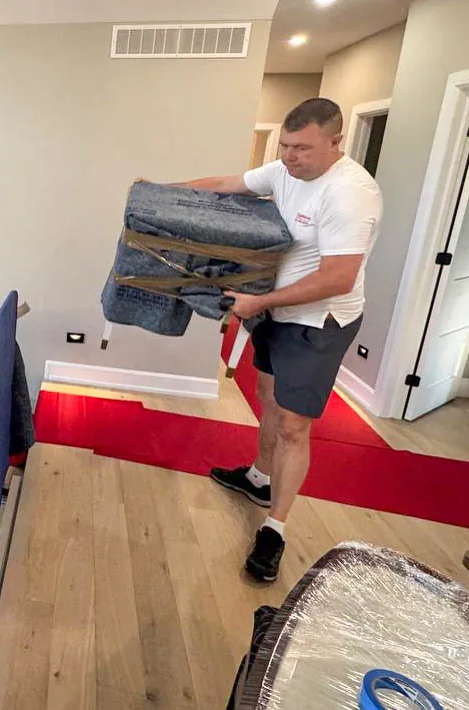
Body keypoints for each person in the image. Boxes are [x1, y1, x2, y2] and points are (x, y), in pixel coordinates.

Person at [183, 98, 383, 582]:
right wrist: (156, 193)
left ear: (336, 143)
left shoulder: (349, 195)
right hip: (274, 308)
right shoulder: (285, 170)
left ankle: (275, 528)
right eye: (286, 146)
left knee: (294, 424)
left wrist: (261, 304)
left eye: (303, 148)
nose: (291, 157)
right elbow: (225, 185)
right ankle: (258, 477)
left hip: (318, 321)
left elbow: (338, 277)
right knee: (267, 395)